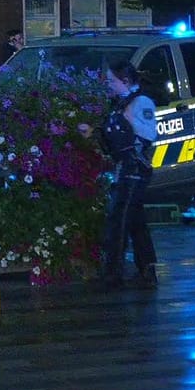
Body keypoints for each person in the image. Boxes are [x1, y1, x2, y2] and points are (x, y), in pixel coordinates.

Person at [78, 61, 159, 290]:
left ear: (125, 81)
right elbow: (116, 136)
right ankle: (147, 270)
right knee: (135, 221)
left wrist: (124, 126)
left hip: (133, 170)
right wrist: (95, 133)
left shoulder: (140, 102)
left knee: (118, 219)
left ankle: (113, 273)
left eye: (112, 80)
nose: (108, 85)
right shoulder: (121, 103)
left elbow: (147, 135)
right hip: (125, 168)